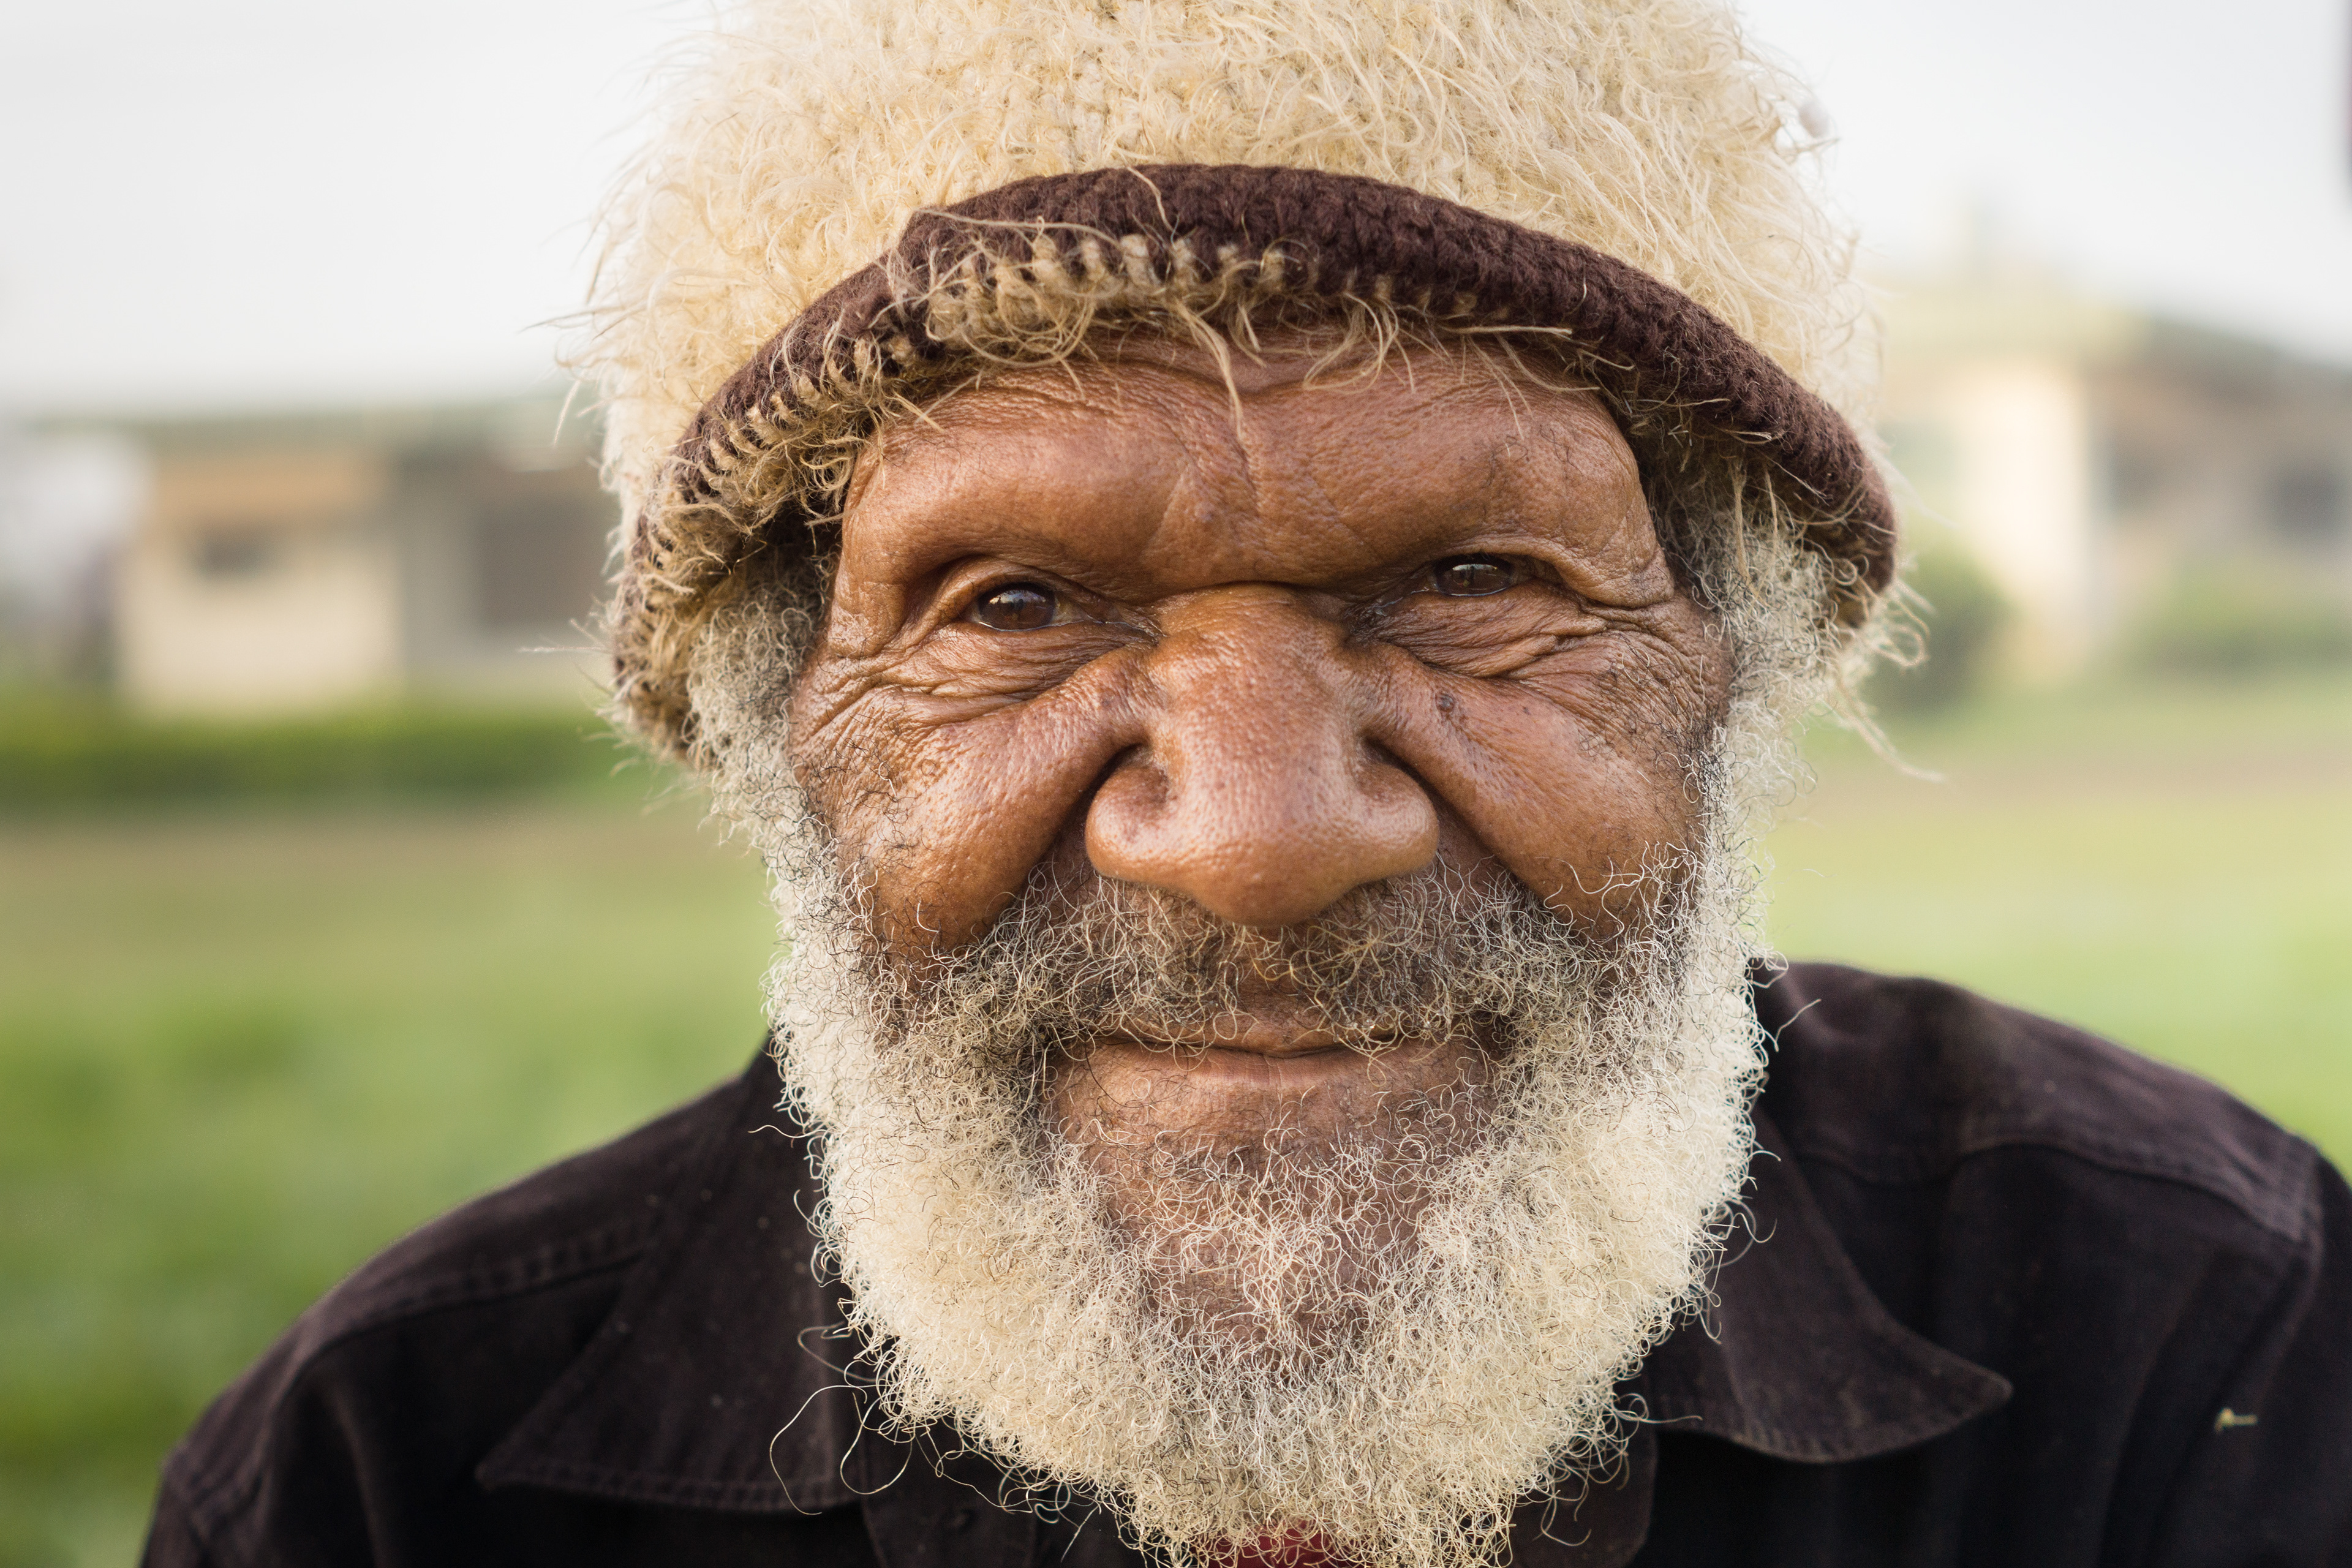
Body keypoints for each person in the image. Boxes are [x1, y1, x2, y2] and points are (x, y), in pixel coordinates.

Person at [141, 1, 2351, 1563]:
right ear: (762, 725)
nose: (1264, 838)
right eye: (1010, 606)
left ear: (1736, 671)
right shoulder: (397, 1480)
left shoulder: (2187, 1331)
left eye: (1476, 579)